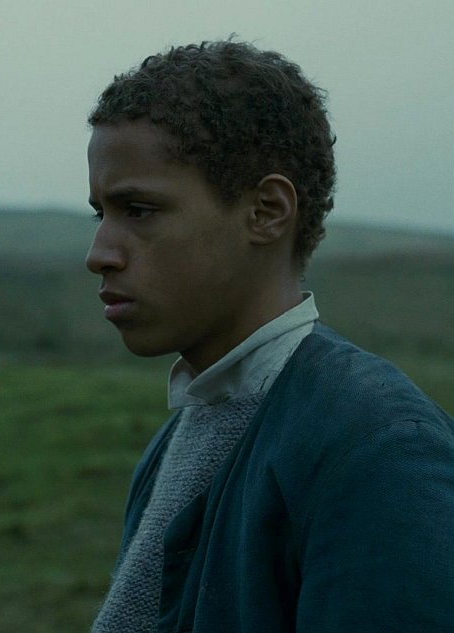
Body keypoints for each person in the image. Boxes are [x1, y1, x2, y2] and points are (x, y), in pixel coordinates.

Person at [84, 39, 454, 633]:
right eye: (99, 213)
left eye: (139, 210)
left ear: (267, 211)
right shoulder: (179, 436)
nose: (99, 253)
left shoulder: (380, 450)